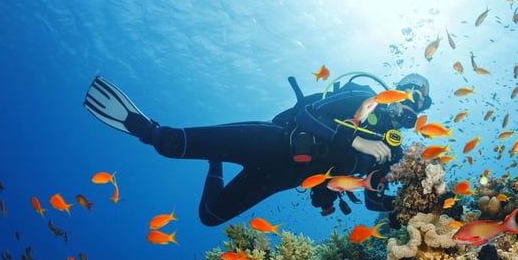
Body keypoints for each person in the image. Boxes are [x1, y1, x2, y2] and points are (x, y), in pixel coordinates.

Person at [83, 72, 433, 226]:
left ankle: (215, 162)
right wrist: (356, 139)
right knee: (170, 143)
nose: (414, 106)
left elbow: (372, 198)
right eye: (411, 94)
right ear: (398, 91)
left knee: (210, 216)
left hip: (282, 177)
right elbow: (306, 115)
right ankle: (140, 124)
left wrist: (407, 208)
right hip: (274, 140)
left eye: (422, 103)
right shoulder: (363, 99)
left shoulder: (394, 152)